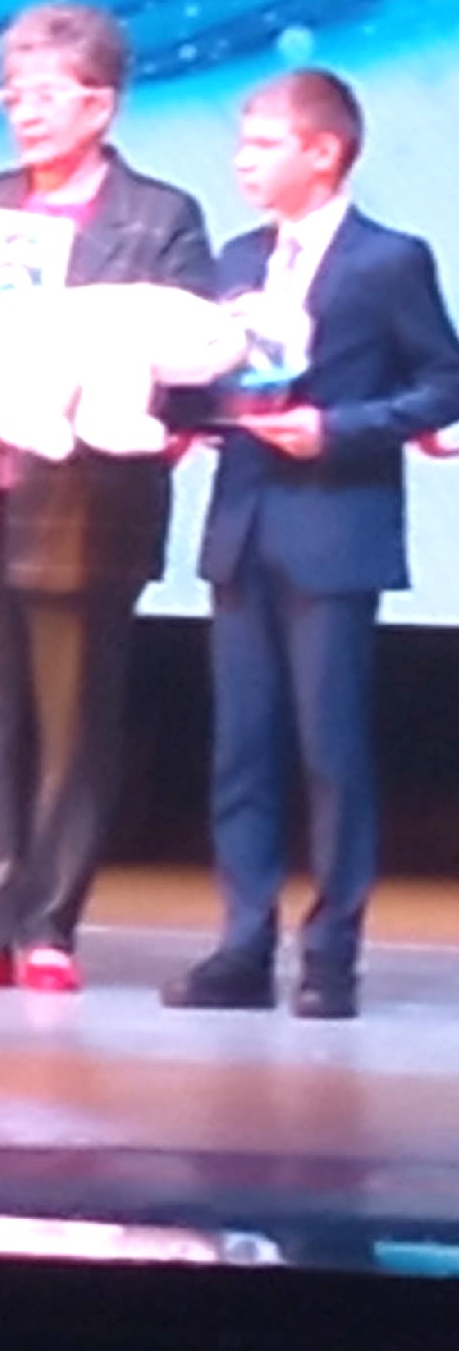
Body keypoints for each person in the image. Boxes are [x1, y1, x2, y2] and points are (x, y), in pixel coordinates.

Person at [0, 0, 213, 995]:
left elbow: (195, 358)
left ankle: (47, 928)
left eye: (42, 94)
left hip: (85, 500)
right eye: (10, 94)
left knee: (75, 726)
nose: (21, 113)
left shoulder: (158, 217)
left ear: (99, 104)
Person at [161, 70, 459, 1020]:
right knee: (240, 749)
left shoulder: (387, 260)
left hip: (335, 529)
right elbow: (207, 383)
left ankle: (332, 954)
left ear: (324, 152)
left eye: (262, 145)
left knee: (332, 748)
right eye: (241, 144)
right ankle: (242, 945)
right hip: (244, 528)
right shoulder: (238, 258)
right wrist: (174, 400)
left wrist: (337, 429)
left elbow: (443, 383)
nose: (241, 163)